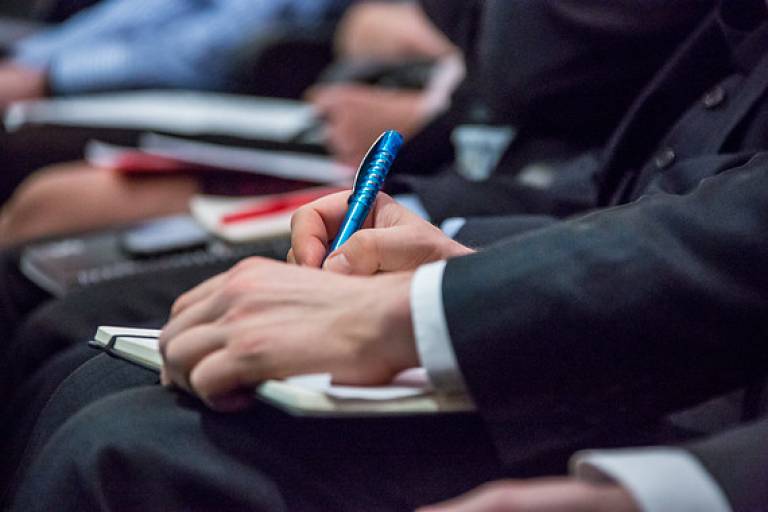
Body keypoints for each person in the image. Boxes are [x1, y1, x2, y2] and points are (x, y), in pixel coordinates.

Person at [4, 0, 768, 509]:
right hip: (557, 230)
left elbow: (532, 69)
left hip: (707, 394)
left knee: (119, 442)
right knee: (90, 363)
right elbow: (661, 186)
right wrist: (463, 255)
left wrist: (434, 307)